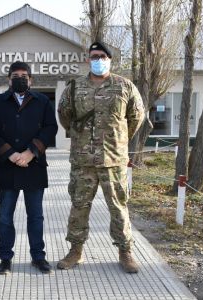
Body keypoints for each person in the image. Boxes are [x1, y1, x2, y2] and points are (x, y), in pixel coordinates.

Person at [57, 41, 145, 273]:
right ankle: (75, 252)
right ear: (88, 59)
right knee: (79, 206)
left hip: (113, 161)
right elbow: (64, 115)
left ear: (110, 59)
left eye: (102, 56)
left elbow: (136, 118)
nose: (98, 59)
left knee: (118, 207)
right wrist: (80, 137)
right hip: (83, 160)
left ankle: (125, 252)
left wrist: (120, 141)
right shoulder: (74, 87)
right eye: (94, 56)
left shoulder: (124, 86)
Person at [0, 61, 58, 275]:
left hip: (34, 165)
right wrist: (10, 154)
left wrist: (30, 152)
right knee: (5, 216)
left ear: (31, 79)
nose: (20, 78)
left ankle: (38, 257)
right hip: (8, 166)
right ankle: (5, 258)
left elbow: (50, 128)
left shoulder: (42, 101)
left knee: (35, 215)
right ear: (8, 79)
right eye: (15, 75)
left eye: (24, 75)